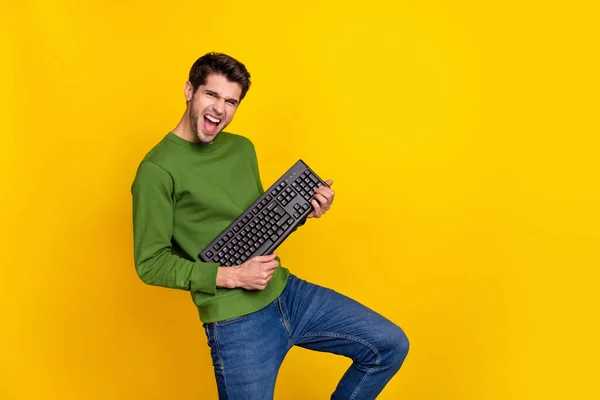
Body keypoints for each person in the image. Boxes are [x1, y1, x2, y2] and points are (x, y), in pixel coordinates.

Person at [131, 52, 409, 399]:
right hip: (236, 323)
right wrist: (231, 275)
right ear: (190, 91)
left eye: (231, 101)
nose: (220, 109)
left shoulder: (241, 148)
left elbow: (257, 226)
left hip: (287, 294)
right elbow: (150, 263)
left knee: (389, 345)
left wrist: (302, 212)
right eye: (211, 95)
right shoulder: (157, 170)